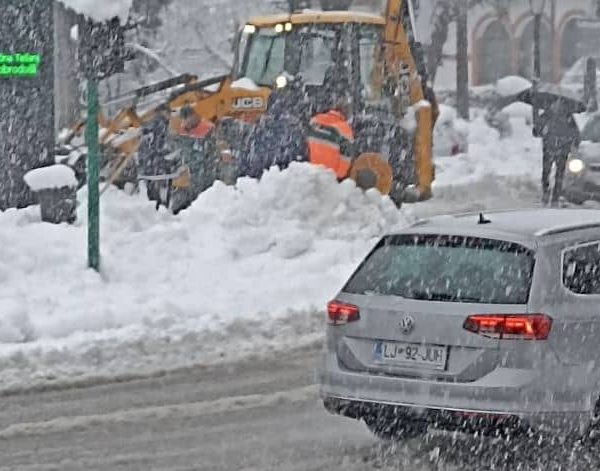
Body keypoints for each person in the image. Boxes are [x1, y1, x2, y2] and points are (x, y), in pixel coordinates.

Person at [536, 99, 581, 206]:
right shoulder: (546, 116)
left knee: (559, 173)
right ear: (551, 104)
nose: (556, 106)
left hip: (562, 149)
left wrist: (573, 143)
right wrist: (542, 130)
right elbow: (536, 131)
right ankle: (546, 192)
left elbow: (576, 133)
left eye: (560, 103)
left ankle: (555, 196)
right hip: (549, 148)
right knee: (546, 172)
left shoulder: (568, 117)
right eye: (554, 103)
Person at [306, 92, 355, 180]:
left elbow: (305, 143)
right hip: (329, 176)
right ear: (347, 114)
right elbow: (346, 158)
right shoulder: (345, 129)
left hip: (310, 172)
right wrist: (338, 176)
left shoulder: (315, 120)